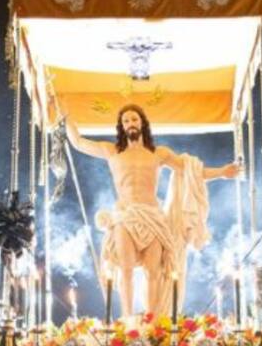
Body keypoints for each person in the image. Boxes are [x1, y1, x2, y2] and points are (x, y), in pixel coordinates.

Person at [66, 103, 239, 316]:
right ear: (121, 126)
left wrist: (222, 172)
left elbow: (191, 171)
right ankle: (128, 319)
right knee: (126, 270)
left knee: (153, 272)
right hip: (125, 216)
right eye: (126, 121)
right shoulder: (111, 151)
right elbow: (78, 142)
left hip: (152, 217)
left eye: (134, 119)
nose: (130, 124)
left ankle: (151, 320)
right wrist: (66, 116)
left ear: (142, 123)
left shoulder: (159, 153)